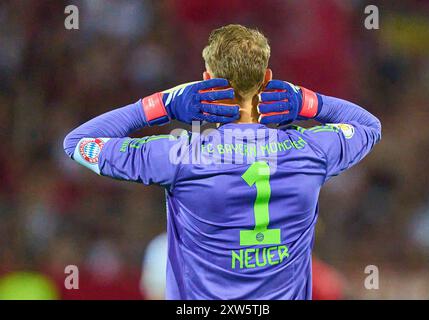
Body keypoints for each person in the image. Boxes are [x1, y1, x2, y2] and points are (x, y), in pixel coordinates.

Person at [63, 24, 381, 299]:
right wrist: (305, 101)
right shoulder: (311, 150)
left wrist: (163, 104)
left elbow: (79, 143)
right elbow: (368, 126)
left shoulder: (181, 155)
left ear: (206, 79)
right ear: (267, 78)